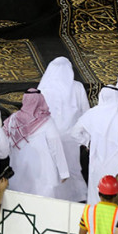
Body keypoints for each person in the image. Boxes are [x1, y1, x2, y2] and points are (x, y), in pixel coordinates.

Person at [38, 56, 90, 202]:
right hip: (72, 137)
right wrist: (86, 137)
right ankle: (78, 198)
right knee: (73, 168)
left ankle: (54, 199)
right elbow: (85, 112)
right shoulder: (78, 87)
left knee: (53, 168)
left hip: (49, 136)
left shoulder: (43, 88)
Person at [73, 85, 118, 206]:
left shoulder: (92, 113)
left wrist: (88, 143)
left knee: (97, 194)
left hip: (97, 160)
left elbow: (74, 132)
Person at [5, 88, 71, 198]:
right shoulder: (47, 122)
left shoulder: (13, 119)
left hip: (18, 172)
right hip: (43, 176)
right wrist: (63, 172)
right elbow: (56, 147)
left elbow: (5, 143)